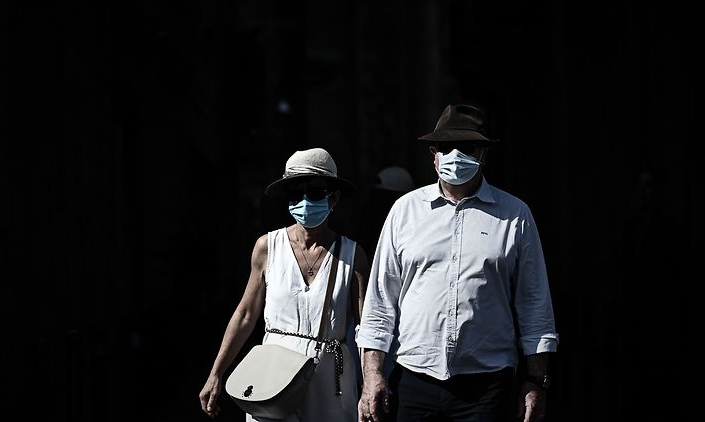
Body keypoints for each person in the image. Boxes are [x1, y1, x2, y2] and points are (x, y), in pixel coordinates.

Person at [356, 104, 559, 422]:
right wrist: (372, 375)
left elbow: (534, 304)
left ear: (483, 154)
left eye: (466, 147)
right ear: (433, 154)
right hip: (414, 377)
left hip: (487, 384)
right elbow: (381, 302)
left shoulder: (514, 215)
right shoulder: (404, 211)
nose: (455, 155)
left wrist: (536, 382)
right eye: (446, 147)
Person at [199, 147, 371, 421]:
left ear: (334, 197)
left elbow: (366, 328)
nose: (304, 202)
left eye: (314, 192)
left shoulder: (352, 255)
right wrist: (216, 374)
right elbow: (245, 314)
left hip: (330, 380)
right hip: (272, 374)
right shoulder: (268, 247)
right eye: (295, 194)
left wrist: (371, 384)